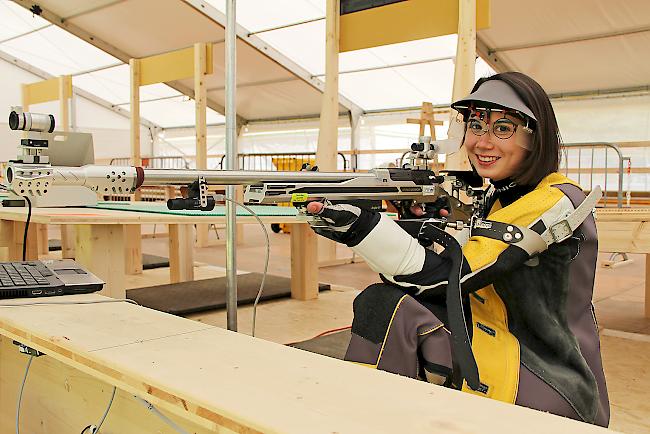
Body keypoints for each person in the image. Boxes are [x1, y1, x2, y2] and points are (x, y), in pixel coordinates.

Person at [305, 72, 610, 426]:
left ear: (535, 136)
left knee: (387, 305)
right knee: (389, 304)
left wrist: (361, 227)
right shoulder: (502, 193)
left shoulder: (556, 199)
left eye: (503, 128)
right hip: (497, 341)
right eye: (476, 126)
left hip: (548, 376)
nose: (482, 141)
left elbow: (449, 278)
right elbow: (466, 252)